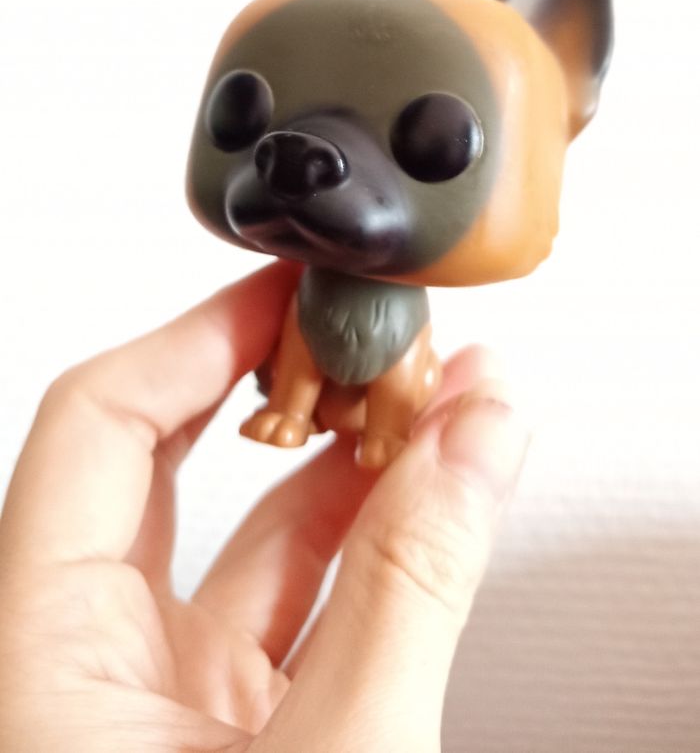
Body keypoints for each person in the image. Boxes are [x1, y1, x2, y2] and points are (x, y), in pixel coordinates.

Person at [0, 261, 528, 752]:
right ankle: (292, 412)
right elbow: (299, 350)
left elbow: (405, 364)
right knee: (300, 342)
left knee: (401, 372)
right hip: (323, 394)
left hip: (383, 396)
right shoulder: (308, 290)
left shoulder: (402, 302)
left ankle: (383, 428)